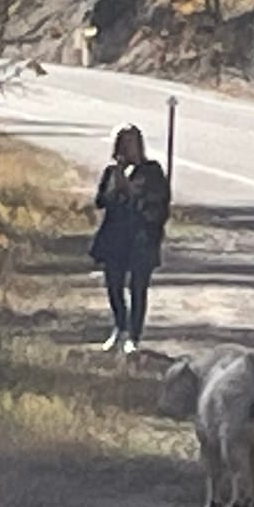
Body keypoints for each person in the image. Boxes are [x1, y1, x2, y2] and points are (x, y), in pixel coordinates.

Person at [88, 125, 171, 354]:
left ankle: (134, 336)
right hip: (115, 236)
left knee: (138, 287)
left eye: (132, 143)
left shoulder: (152, 171)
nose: (128, 148)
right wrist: (115, 187)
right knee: (113, 285)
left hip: (141, 238)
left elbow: (160, 203)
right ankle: (119, 327)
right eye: (123, 143)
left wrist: (134, 193)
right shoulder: (112, 171)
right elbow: (100, 201)